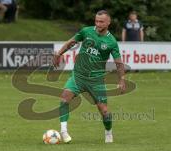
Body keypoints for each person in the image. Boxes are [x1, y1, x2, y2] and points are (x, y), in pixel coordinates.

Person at [52, 10, 126, 143]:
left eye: (101, 21)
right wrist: (59, 53)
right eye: (96, 21)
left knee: (104, 111)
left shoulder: (111, 42)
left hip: (96, 80)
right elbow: (71, 42)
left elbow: (118, 63)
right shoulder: (86, 31)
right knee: (64, 99)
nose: (98, 24)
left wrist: (121, 80)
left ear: (108, 22)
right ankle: (63, 131)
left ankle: (108, 132)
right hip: (78, 76)